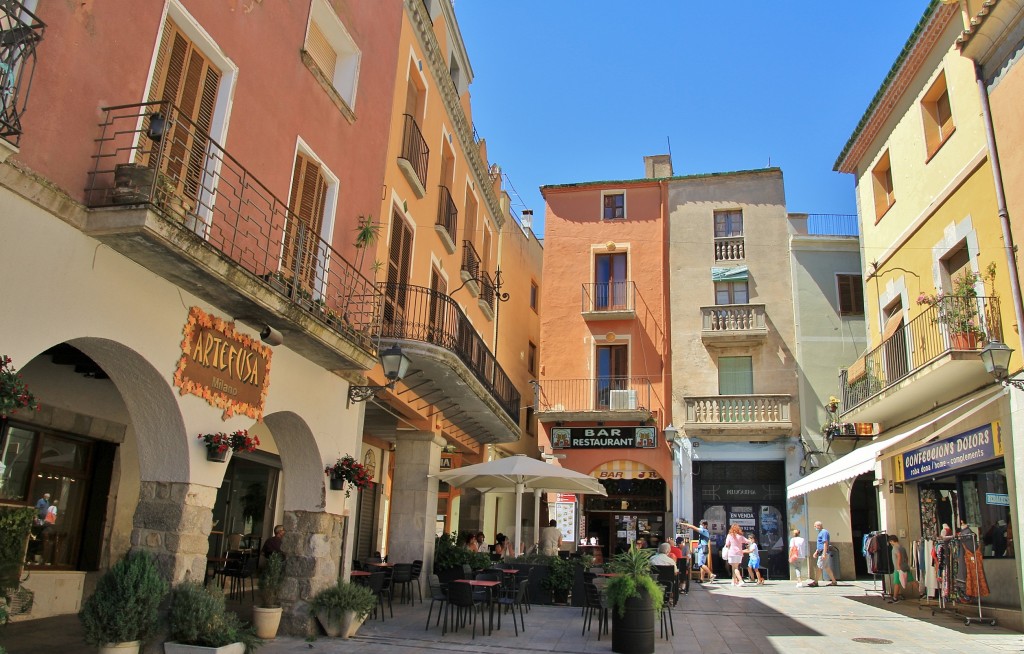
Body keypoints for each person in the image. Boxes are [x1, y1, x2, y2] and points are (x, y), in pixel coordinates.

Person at [809, 520, 836, 587]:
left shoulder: (824, 532)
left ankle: (815, 582)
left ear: (819, 526)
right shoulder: (820, 532)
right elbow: (820, 544)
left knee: (819, 567)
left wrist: (824, 553)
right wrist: (816, 552)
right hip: (821, 552)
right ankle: (834, 581)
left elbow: (825, 543)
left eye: (815, 526)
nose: (814, 527)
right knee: (827, 567)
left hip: (823, 553)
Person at [887, 534, 910, 603]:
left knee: (896, 582)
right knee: (911, 580)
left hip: (898, 568)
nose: (890, 543)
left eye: (890, 542)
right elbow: (906, 557)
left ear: (892, 541)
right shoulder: (902, 547)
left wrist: (898, 565)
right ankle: (921, 593)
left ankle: (895, 597)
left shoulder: (895, 548)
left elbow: (899, 556)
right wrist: (905, 564)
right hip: (905, 566)